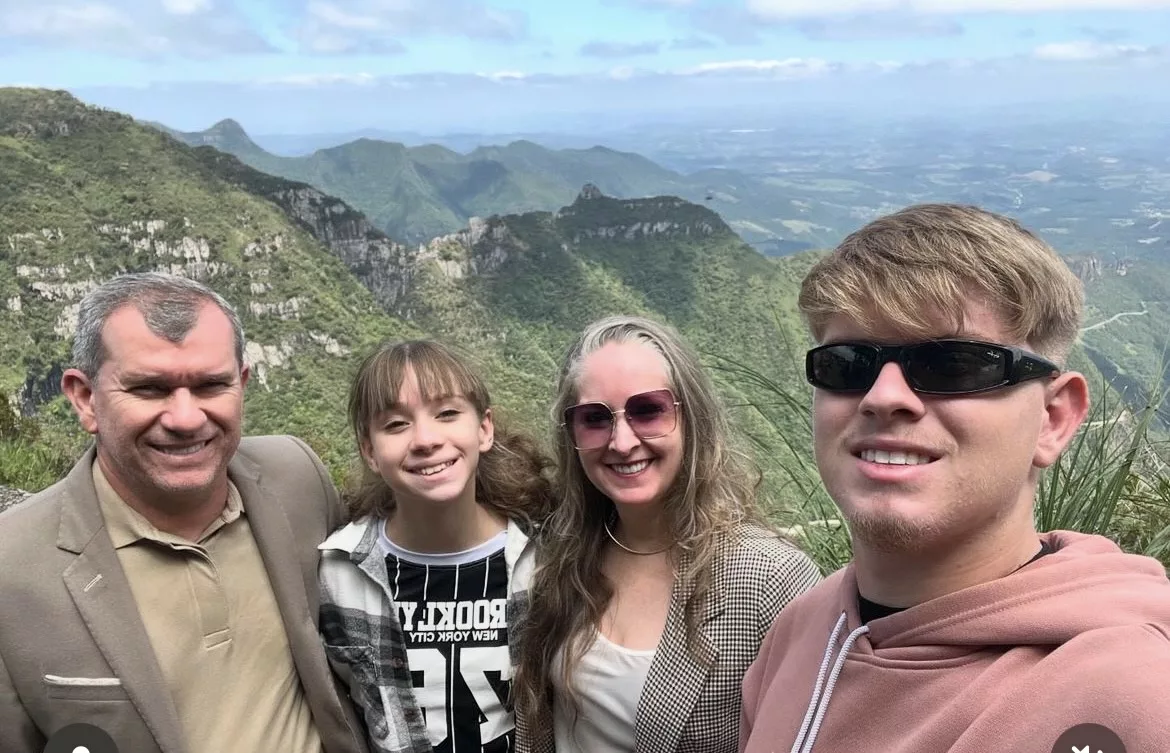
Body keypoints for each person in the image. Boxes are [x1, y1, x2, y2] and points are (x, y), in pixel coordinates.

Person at [740, 204, 1170, 753]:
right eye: (848, 364)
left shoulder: (1132, 695)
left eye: (953, 365)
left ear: (1053, 419)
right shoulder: (799, 632)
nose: (883, 397)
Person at [0, 272, 368, 753]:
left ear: (242, 384)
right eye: (149, 389)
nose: (186, 418)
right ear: (85, 398)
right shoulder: (13, 566)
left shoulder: (296, 476)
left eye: (211, 385)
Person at [512, 315, 822, 753]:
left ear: (690, 417)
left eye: (647, 410)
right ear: (571, 435)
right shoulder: (562, 557)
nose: (621, 442)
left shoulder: (770, 579)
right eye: (594, 418)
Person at [318, 340, 552, 753]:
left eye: (447, 414)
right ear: (370, 451)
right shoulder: (339, 573)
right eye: (395, 424)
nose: (425, 439)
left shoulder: (542, 560)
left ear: (484, 428)